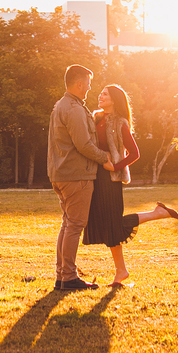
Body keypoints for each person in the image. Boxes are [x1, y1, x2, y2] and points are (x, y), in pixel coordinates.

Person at [83, 83, 178, 287]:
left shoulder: (120, 123)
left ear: (114, 99)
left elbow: (135, 154)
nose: (100, 96)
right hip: (95, 177)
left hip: (110, 180)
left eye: (105, 94)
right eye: (100, 93)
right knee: (106, 224)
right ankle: (121, 271)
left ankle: (157, 214)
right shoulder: (96, 118)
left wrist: (115, 166)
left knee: (113, 224)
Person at [48, 64, 114, 291]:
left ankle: (62, 275)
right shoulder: (73, 109)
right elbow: (83, 144)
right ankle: (68, 277)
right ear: (79, 84)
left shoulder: (61, 105)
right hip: (76, 175)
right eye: (87, 84)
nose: (89, 89)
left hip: (62, 174)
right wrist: (104, 157)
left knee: (68, 224)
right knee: (74, 225)